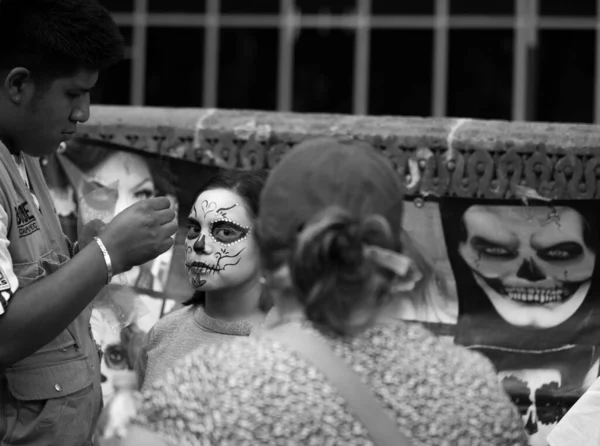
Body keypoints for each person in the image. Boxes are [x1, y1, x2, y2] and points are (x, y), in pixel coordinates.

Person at [124, 138, 528, 445]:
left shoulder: (202, 389)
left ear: (267, 247)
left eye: (225, 231)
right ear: (393, 248)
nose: (200, 243)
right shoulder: (473, 388)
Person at [0, 1, 178, 445]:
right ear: (18, 85)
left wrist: (84, 253)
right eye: (73, 94)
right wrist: (106, 254)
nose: (84, 113)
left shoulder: (24, 154)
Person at [136, 169, 270, 390]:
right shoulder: (163, 333)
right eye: (194, 229)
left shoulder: (286, 348)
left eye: (225, 233)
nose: (199, 244)